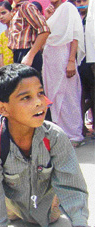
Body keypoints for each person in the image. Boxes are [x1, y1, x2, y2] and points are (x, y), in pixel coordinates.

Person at [0, 63, 95, 227]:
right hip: (12, 206)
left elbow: (70, 181)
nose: (39, 102)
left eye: (40, 93)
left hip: (48, 207)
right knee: (8, 213)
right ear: (3, 108)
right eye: (26, 97)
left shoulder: (55, 137)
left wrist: (80, 223)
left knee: (52, 218)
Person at [43, 0, 85, 147]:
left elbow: (74, 36)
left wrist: (71, 60)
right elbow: (46, 34)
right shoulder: (53, 11)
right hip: (50, 60)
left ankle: (74, 136)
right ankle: (60, 135)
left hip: (64, 57)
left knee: (69, 96)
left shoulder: (68, 8)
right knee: (53, 97)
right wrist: (48, 18)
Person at [8, 0, 50, 73]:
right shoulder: (16, 8)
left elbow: (44, 30)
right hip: (18, 53)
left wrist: (30, 55)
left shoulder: (26, 7)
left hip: (27, 52)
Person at [76, 0, 94, 136]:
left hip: (91, 60)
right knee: (80, 95)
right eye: (78, 1)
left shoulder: (91, 17)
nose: (81, 3)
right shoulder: (74, 17)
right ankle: (80, 127)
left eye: (84, 0)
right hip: (79, 63)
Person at [0, 1, 14, 68]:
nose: (1, 17)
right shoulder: (2, 35)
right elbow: (2, 55)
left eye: (3, 13)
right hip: (7, 70)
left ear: (12, 12)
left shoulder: (17, 31)